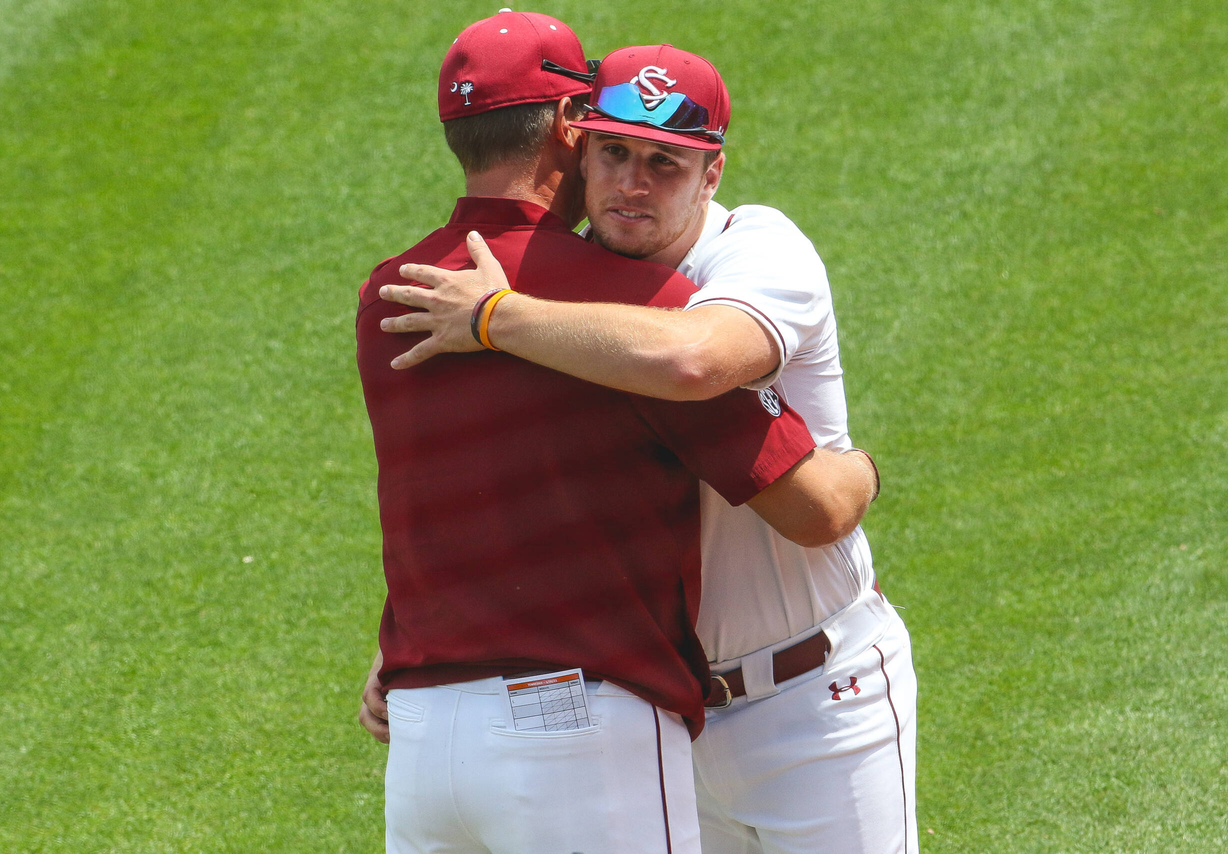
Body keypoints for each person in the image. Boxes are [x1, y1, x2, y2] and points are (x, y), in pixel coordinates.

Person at [376, 42, 919, 854]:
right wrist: (408, 640)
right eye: (616, 153)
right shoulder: (567, 292)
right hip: (663, 717)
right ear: (578, 150)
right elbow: (494, 485)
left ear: (711, 174)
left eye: (666, 162)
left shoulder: (756, 251)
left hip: (815, 705)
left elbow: (694, 359)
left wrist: (493, 317)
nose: (633, 183)